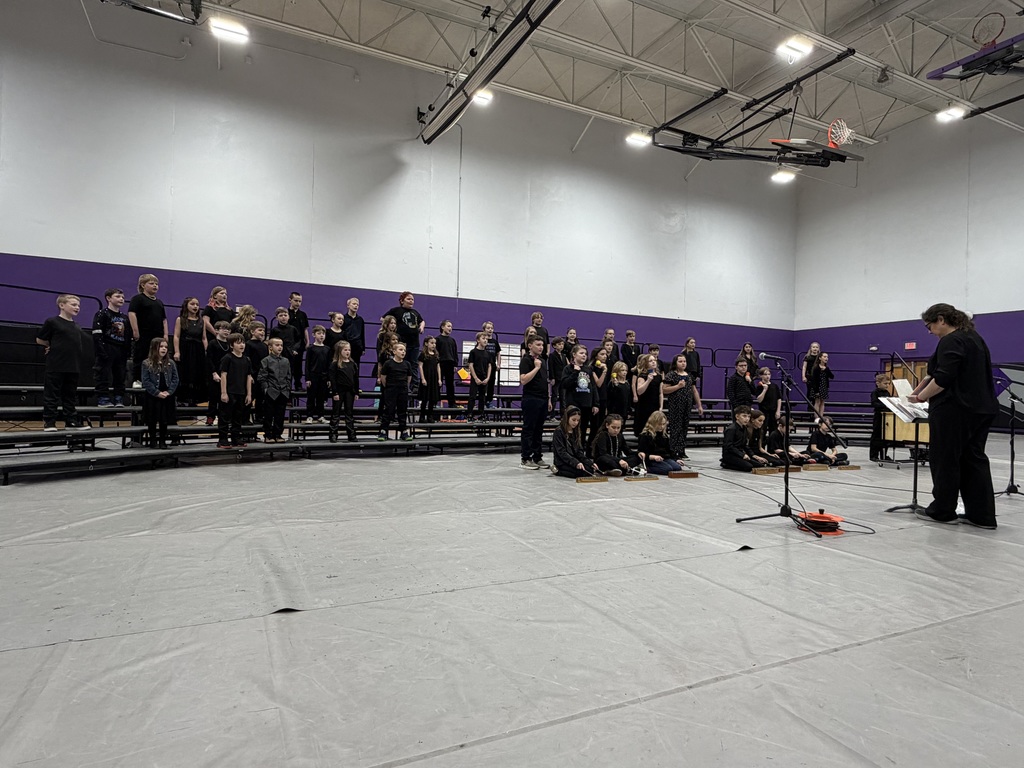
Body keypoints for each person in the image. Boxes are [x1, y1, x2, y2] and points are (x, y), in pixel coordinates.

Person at [909, 303, 998, 529]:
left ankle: (943, 511)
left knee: (945, 459)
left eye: (929, 326)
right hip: (981, 409)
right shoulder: (975, 338)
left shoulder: (951, 340)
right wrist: (919, 391)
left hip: (955, 410)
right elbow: (934, 373)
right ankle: (982, 515)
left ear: (941, 319)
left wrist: (921, 398)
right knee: (973, 460)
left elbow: (943, 378)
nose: (929, 331)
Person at [37, 294, 88, 431]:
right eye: (73, 304)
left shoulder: (76, 325)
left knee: (70, 395)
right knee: (52, 394)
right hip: (56, 364)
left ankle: (71, 421)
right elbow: (40, 339)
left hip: (73, 365)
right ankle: (49, 422)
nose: (77, 307)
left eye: (78, 305)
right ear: (62, 305)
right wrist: (50, 345)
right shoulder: (53, 322)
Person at [92, 288, 130, 408]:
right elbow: (97, 334)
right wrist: (101, 350)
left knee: (120, 374)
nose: (121, 299)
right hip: (107, 347)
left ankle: (119, 397)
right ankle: (103, 398)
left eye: (123, 297)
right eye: (118, 296)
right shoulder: (102, 314)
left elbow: (128, 335)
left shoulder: (124, 317)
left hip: (120, 348)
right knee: (103, 373)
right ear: (109, 298)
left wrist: (127, 350)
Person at [127, 273, 167, 386]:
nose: (155, 286)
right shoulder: (138, 299)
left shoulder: (159, 302)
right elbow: (132, 314)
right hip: (143, 333)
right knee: (141, 356)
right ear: (143, 285)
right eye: (151, 283)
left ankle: (153, 379)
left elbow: (164, 319)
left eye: (156, 284)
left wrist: (165, 334)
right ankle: (137, 379)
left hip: (157, 334)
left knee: (156, 357)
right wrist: (135, 330)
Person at [519, 335, 551, 470]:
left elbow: (545, 381)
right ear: (530, 345)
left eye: (542, 345)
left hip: (543, 398)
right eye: (538, 345)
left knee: (539, 429)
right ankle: (525, 458)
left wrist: (548, 398)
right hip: (531, 398)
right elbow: (523, 380)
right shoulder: (526, 360)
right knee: (529, 429)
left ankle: (537, 457)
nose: (541, 347)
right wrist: (536, 368)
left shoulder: (543, 360)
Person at [663, 354, 703, 459]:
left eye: (684, 361)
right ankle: (673, 450)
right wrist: (678, 386)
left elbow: (694, 390)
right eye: (680, 361)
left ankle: (681, 450)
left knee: (684, 427)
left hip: (687, 404)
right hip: (675, 404)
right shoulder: (671, 375)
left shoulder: (689, 375)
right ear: (675, 363)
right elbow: (664, 389)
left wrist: (699, 405)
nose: (683, 363)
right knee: (675, 427)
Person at [382, 292, 424, 393]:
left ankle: (414, 385)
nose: (411, 301)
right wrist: (389, 328)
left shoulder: (415, 312)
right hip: (402, 343)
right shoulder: (396, 310)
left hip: (414, 343)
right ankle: (402, 383)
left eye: (412, 299)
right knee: (401, 364)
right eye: (409, 299)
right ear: (402, 301)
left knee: (413, 364)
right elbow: (383, 318)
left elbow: (422, 320)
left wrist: (422, 326)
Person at [140, 338, 178, 449]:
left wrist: (169, 392)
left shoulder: (171, 363)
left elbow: (175, 379)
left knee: (164, 419)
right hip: (153, 396)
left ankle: (162, 440)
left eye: (166, 347)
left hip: (166, 395)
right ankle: (153, 440)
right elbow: (146, 381)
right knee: (152, 418)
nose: (164, 349)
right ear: (154, 348)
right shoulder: (146, 363)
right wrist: (156, 393)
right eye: (161, 346)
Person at [218, 333, 252, 448]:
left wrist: (249, 394)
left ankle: (236, 438)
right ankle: (222, 439)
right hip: (229, 391)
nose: (242, 345)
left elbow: (248, 377)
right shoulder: (227, 358)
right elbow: (223, 375)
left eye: (243, 342)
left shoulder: (247, 359)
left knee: (238, 417)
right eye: (238, 343)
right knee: (225, 417)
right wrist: (224, 392)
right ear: (232, 345)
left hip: (241, 392)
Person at [173, 297, 206, 408]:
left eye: (197, 304)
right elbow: (176, 336)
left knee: (196, 374)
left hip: (198, 350)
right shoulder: (180, 319)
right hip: (185, 348)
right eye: (192, 304)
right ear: (186, 305)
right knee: (185, 373)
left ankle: (194, 399)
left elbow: (204, 338)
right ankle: (182, 399)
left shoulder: (202, 321)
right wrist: (177, 351)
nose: (195, 306)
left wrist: (206, 351)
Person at [562, 344, 596, 447]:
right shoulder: (568, 369)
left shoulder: (588, 369)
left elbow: (593, 387)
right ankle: (570, 450)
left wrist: (595, 403)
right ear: (574, 354)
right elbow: (565, 384)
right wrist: (575, 372)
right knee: (572, 429)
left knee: (583, 429)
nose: (584, 355)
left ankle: (580, 450)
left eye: (585, 354)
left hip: (586, 404)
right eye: (581, 353)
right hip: (574, 404)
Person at [258, 338, 292, 443]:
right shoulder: (266, 360)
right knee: (268, 415)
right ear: (270, 347)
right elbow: (262, 377)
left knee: (280, 415)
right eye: (277, 345)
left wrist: (287, 387)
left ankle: (278, 434)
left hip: (283, 391)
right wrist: (266, 389)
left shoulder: (285, 361)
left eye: (281, 345)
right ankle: (268, 435)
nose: (280, 347)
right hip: (271, 391)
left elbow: (289, 376)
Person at [551, 406, 600, 478]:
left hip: (575, 459)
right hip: (563, 461)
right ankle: (558, 470)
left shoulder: (576, 431)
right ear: (567, 418)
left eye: (577, 420)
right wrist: (575, 463)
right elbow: (561, 452)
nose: (576, 423)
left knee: (590, 470)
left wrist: (590, 463)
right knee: (578, 473)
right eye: (573, 420)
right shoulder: (558, 431)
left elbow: (579, 451)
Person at [378, 341, 413, 441]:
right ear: (394, 351)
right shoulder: (388, 363)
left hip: (402, 390)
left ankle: (404, 432)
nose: (403, 352)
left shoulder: (407, 364)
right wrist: (388, 387)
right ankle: (383, 431)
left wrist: (404, 386)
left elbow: (409, 377)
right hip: (391, 389)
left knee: (402, 411)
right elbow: (383, 377)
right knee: (388, 410)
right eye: (400, 350)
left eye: (404, 350)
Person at [329, 340, 358, 442]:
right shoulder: (335, 364)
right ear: (339, 351)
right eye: (345, 350)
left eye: (349, 350)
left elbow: (355, 379)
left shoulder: (352, 364)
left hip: (349, 392)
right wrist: (334, 392)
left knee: (349, 413)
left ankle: (351, 434)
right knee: (336, 413)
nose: (347, 352)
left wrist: (356, 392)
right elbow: (333, 380)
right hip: (339, 392)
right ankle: (333, 434)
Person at [205, 322, 231, 427]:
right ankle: (211, 416)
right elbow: (209, 359)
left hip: (226, 374)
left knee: (224, 398)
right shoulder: (212, 343)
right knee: (213, 396)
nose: (226, 331)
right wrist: (214, 373)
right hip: (215, 373)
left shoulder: (230, 344)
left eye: (228, 329)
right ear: (216, 330)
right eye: (224, 329)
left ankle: (223, 417)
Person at [269, 307, 302, 388]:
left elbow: (299, 340)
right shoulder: (274, 330)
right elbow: (270, 342)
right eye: (281, 315)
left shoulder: (293, 329)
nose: (283, 317)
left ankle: (289, 392)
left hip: (290, 354)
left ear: (288, 317)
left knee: (289, 373)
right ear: (277, 318)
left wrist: (294, 349)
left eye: (285, 315)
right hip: (278, 355)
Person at [631, 353, 662, 438]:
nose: (653, 362)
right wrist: (648, 380)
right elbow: (639, 391)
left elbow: (660, 393)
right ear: (646, 363)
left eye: (654, 360)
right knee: (643, 426)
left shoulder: (659, 376)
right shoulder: (642, 375)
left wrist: (661, 406)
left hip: (654, 404)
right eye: (650, 361)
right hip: (644, 404)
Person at [304, 326, 330, 423]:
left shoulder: (327, 349)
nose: (321, 335)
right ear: (314, 335)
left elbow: (328, 365)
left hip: (323, 377)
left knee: (321, 397)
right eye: (319, 333)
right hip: (313, 376)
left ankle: (321, 416)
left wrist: (328, 379)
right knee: (311, 397)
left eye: (323, 333)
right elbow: (307, 364)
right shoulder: (311, 348)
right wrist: (308, 378)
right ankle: (309, 416)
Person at [466, 332, 492, 421]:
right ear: (478, 340)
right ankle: (469, 414)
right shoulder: (473, 352)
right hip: (475, 377)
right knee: (472, 396)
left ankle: (481, 414)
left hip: (484, 377)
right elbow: (471, 365)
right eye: (483, 338)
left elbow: (489, 366)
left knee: (482, 397)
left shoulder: (488, 353)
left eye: (486, 339)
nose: (485, 340)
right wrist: (475, 378)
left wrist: (488, 378)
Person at [341, 297, 366, 392]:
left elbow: (362, 333)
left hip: (357, 346)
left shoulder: (360, 320)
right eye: (354, 304)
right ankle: (346, 385)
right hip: (347, 346)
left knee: (356, 367)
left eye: (357, 305)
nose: (356, 306)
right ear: (348, 305)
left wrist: (363, 347)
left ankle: (356, 386)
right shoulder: (344, 319)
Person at [245, 323, 269, 424]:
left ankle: (259, 417)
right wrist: (249, 374)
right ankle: (246, 418)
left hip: (262, 375)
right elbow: (247, 360)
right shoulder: (248, 344)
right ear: (252, 332)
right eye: (260, 330)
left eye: (263, 330)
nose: (262, 332)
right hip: (253, 375)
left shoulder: (264, 345)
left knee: (261, 398)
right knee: (250, 397)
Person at [721, 406, 756, 472]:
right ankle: (725, 463)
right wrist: (742, 455)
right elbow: (729, 446)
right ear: (737, 416)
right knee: (748, 467)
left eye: (748, 416)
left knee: (758, 464)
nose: (747, 419)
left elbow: (744, 445)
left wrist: (753, 455)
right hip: (730, 455)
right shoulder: (731, 429)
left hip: (739, 453)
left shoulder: (744, 428)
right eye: (744, 416)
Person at [588, 347, 610, 448]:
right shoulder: (592, 368)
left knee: (601, 425)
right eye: (602, 354)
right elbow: (598, 384)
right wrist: (604, 371)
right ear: (596, 356)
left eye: (605, 354)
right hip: (596, 399)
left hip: (604, 398)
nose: (604, 356)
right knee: (595, 426)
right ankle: (590, 447)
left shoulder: (604, 366)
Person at [287, 291, 310, 387]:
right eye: (296, 300)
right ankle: (287, 384)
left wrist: (307, 341)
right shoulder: (286, 313)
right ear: (290, 300)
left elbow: (305, 329)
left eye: (300, 301)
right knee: (288, 365)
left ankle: (298, 384)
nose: (298, 303)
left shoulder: (303, 315)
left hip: (300, 343)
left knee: (298, 364)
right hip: (289, 343)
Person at [418, 335, 441, 423]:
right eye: (431, 343)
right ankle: (422, 416)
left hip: (434, 378)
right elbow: (420, 366)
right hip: (426, 377)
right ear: (426, 344)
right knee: (425, 399)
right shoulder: (423, 354)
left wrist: (439, 379)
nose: (434, 345)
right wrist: (423, 378)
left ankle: (430, 416)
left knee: (432, 399)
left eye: (434, 343)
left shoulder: (436, 354)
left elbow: (438, 367)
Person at [869, 372, 892, 462]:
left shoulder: (887, 393)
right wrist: (885, 404)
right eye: (885, 383)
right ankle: (873, 455)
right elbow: (874, 403)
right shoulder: (875, 393)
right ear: (878, 383)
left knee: (886, 436)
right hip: (878, 416)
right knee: (876, 436)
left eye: (888, 384)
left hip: (886, 417)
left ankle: (884, 455)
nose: (887, 385)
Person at [436, 320, 459, 410]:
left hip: (450, 363)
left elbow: (455, 353)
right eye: (448, 326)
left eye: (451, 327)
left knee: (450, 384)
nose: (450, 328)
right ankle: (435, 402)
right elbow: (436, 353)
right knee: (438, 383)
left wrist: (455, 364)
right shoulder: (438, 339)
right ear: (442, 327)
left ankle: (451, 403)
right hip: (441, 364)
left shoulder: (452, 340)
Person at [754, 367, 782, 434]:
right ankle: (762, 443)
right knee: (763, 429)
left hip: (773, 411)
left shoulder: (774, 386)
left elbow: (779, 398)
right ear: (761, 376)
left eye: (769, 374)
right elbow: (759, 400)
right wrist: (764, 390)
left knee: (773, 430)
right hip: (764, 411)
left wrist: (778, 411)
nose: (767, 376)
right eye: (765, 374)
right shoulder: (759, 386)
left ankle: (771, 444)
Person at [808, 352, 834, 419]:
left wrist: (826, 370)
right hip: (817, 387)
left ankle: (821, 417)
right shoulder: (816, 368)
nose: (826, 358)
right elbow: (814, 380)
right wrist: (816, 390)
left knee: (822, 402)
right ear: (820, 358)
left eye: (827, 357)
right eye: (824, 357)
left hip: (824, 387)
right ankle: (816, 417)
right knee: (817, 402)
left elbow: (832, 376)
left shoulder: (826, 368)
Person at [481, 321, 502, 407]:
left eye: (491, 328)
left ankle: (489, 401)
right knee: (483, 384)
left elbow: (498, 354)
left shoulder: (495, 342)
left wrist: (499, 364)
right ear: (484, 329)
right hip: (483, 366)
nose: (490, 330)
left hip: (492, 365)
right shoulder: (482, 341)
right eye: (488, 328)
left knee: (491, 384)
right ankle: (481, 402)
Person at [607, 361, 631, 430]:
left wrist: (629, 410)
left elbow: (628, 398)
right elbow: (610, 396)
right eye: (622, 370)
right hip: (615, 410)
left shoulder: (626, 383)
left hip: (624, 410)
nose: (625, 372)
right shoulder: (612, 383)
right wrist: (615, 386)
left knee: (622, 427)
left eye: (626, 370)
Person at [548, 337, 567, 416]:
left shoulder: (564, 356)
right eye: (559, 344)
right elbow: (551, 367)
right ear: (554, 346)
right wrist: (552, 378)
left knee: (563, 398)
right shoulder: (552, 355)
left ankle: (563, 415)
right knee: (554, 397)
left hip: (562, 379)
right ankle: (552, 415)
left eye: (562, 344)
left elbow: (565, 367)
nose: (561, 346)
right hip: (556, 378)